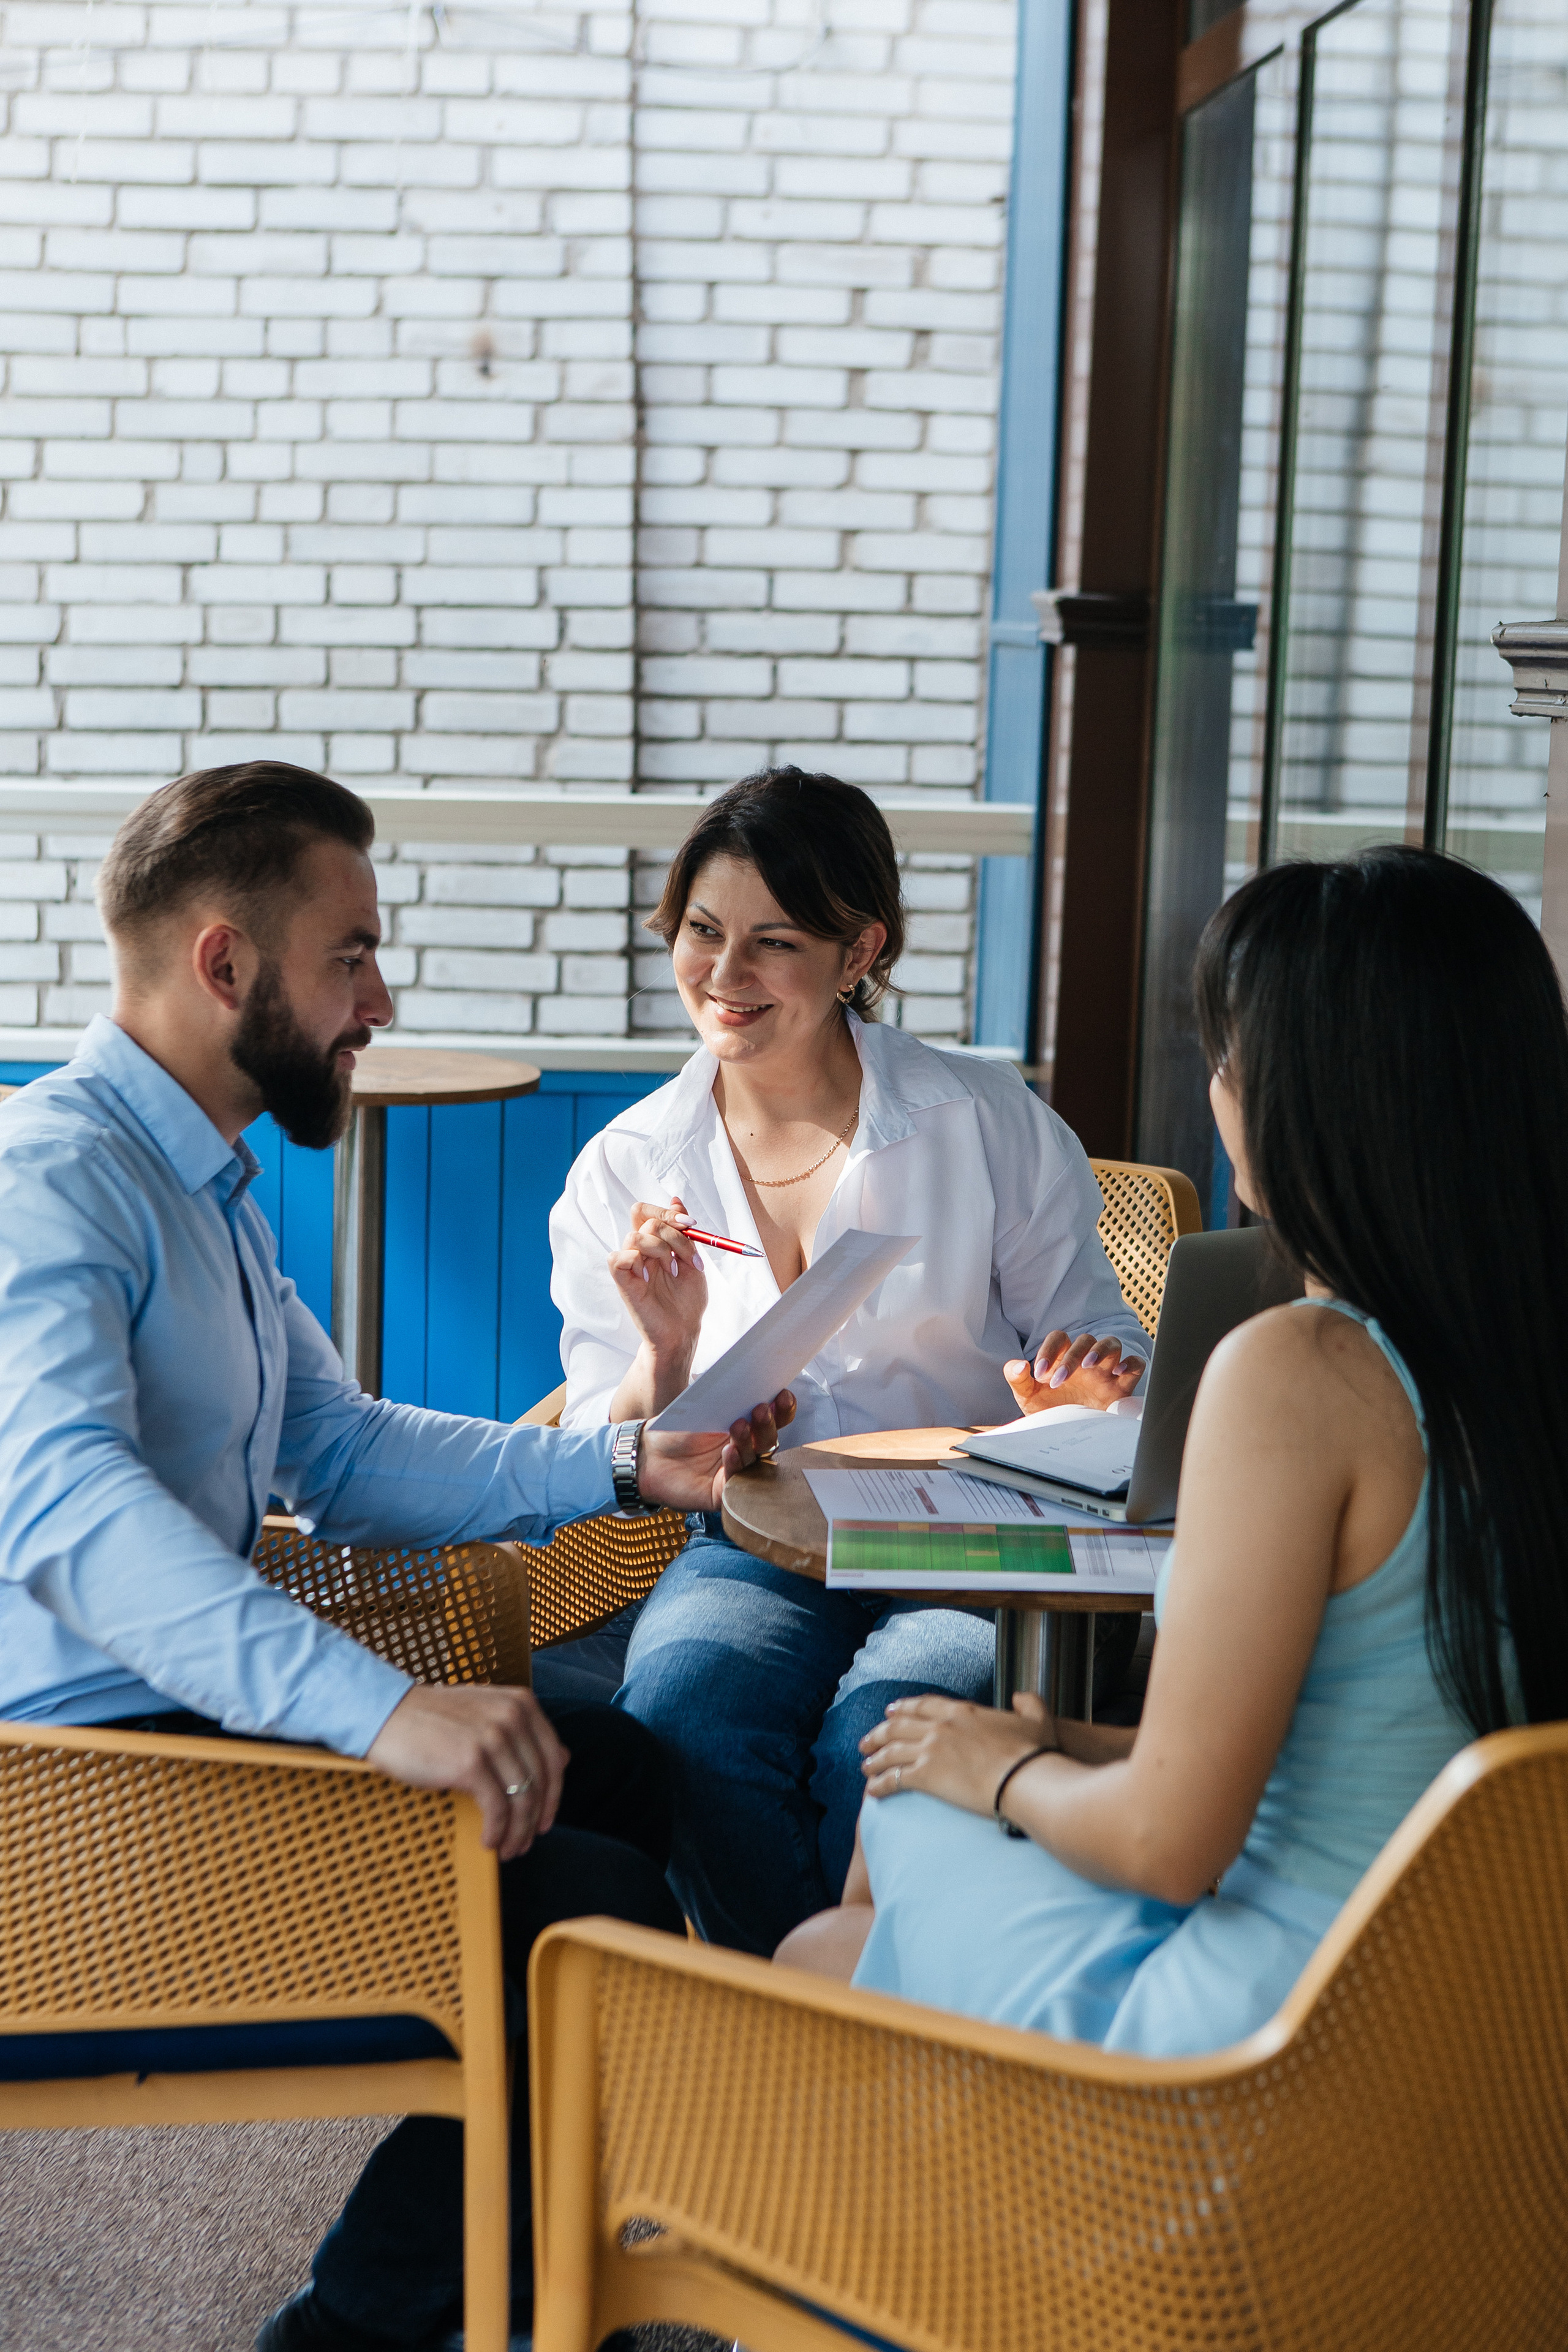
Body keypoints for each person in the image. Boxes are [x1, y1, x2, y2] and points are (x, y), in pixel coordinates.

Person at [0, 761, 790, 2352]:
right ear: (227, 965)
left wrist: (628, 1460)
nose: (381, 993)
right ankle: (363, 2328)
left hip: (184, 1743)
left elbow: (344, 1451)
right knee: (599, 1906)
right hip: (84, 1806)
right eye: (350, 953)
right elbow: (64, 1515)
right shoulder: (54, 1182)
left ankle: (563, 2240)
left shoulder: (203, 1184)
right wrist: (376, 1711)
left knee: (625, 1767)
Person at [777, 846, 1568, 2056]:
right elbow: (1365, 1740)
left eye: (1224, 1058)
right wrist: (1046, 1743)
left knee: (841, 1916)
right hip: (1478, 2029)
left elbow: (1167, 1841)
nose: (1215, 1091)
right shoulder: (1511, 1361)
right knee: (911, 1811)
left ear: (1303, 1096)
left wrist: (997, 1765)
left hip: (1275, 2044)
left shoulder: (1300, 1371)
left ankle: (964, 2230)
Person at [547, 766, 1151, 1955]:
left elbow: (1111, 1364)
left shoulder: (985, 1125)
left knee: (876, 1735)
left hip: (969, 1545)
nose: (723, 977)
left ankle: (867, 2026)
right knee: (681, 1714)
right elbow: (598, 1442)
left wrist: (1082, 1397)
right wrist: (664, 1362)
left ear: (856, 948)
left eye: (773, 942)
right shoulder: (627, 1167)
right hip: (752, 1544)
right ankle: (795, 2021)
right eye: (703, 932)